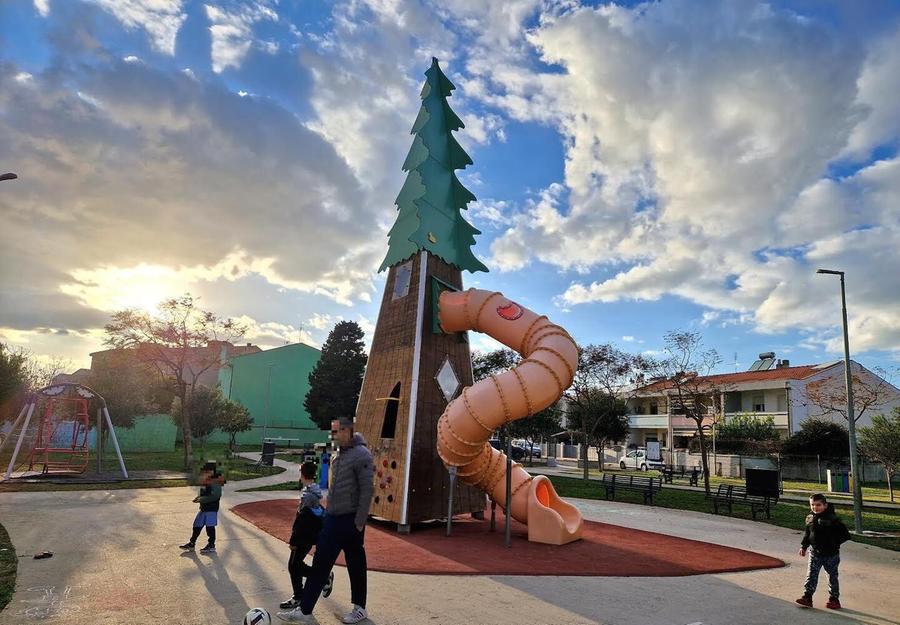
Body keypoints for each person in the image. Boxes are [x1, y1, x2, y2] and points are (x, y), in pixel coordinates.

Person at [278, 418, 374, 624]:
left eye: (336, 432)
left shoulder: (362, 455)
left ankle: (359, 608)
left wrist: (359, 522)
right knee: (320, 562)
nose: (333, 436)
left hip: (351, 520)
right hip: (332, 518)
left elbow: (367, 490)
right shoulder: (337, 454)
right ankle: (305, 610)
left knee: (355, 563)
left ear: (348, 432)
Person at [279, 461, 334, 611]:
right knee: (295, 565)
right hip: (308, 536)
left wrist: (293, 540)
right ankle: (302, 593)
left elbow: (303, 520)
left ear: (302, 474)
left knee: (293, 566)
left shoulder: (308, 496)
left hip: (303, 537)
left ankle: (319, 581)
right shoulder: (312, 491)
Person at [796, 493, 850, 609]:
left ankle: (834, 599)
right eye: (812, 505)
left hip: (831, 555)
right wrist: (804, 546)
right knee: (811, 575)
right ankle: (807, 597)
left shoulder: (833, 519)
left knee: (832, 576)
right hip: (815, 553)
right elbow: (808, 534)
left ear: (825, 505)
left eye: (818, 505)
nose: (815, 507)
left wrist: (834, 543)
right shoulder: (810, 518)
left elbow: (845, 535)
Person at [179, 461, 223, 554]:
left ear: (212, 471)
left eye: (206, 471)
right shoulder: (206, 481)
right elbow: (203, 493)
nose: (204, 473)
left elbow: (215, 496)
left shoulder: (215, 481)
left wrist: (201, 499)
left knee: (210, 527)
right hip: (204, 508)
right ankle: (192, 543)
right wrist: (198, 498)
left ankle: (211, 545)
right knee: (197, 525)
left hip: (211, 509)